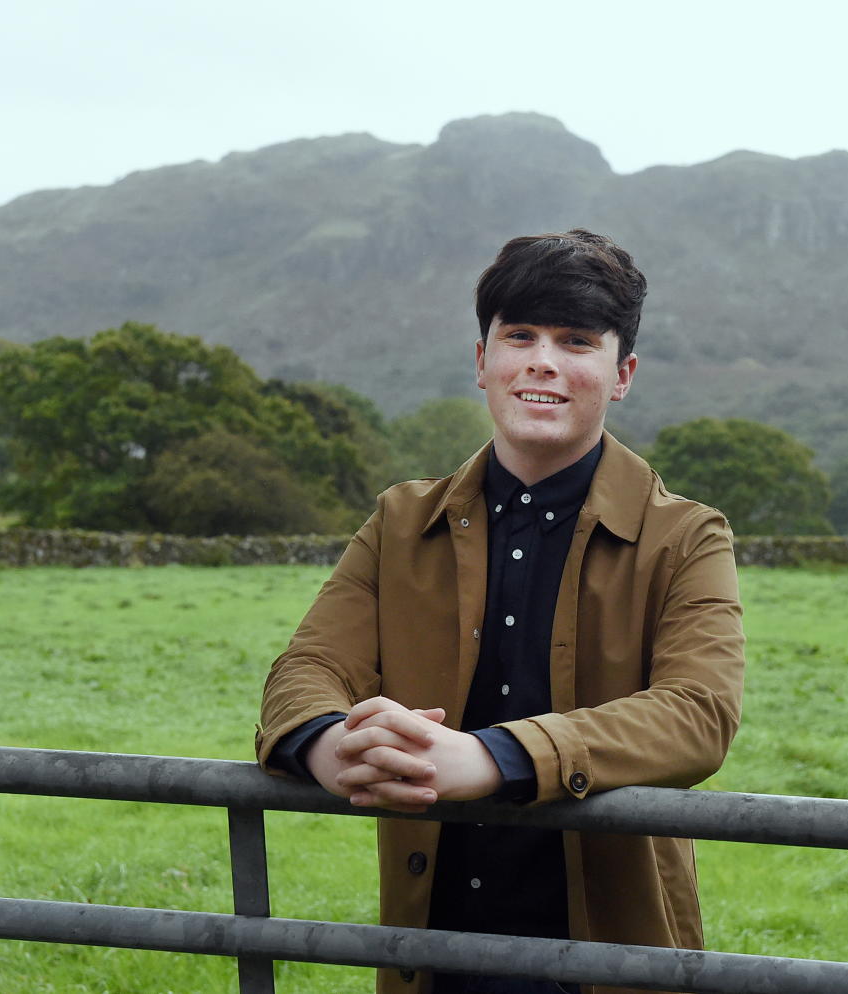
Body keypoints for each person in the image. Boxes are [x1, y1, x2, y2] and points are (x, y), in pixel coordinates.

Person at [256, 229, 746, 994]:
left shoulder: (686, 536)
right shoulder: (399, 520)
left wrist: (491, 758)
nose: (543, 361)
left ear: (622, 375)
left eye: (576, 341)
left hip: (607, 960)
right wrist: (325, 742)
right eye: (519, 335)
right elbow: (311, 665)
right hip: (433, 956)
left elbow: (698, 714)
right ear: (482, 360)